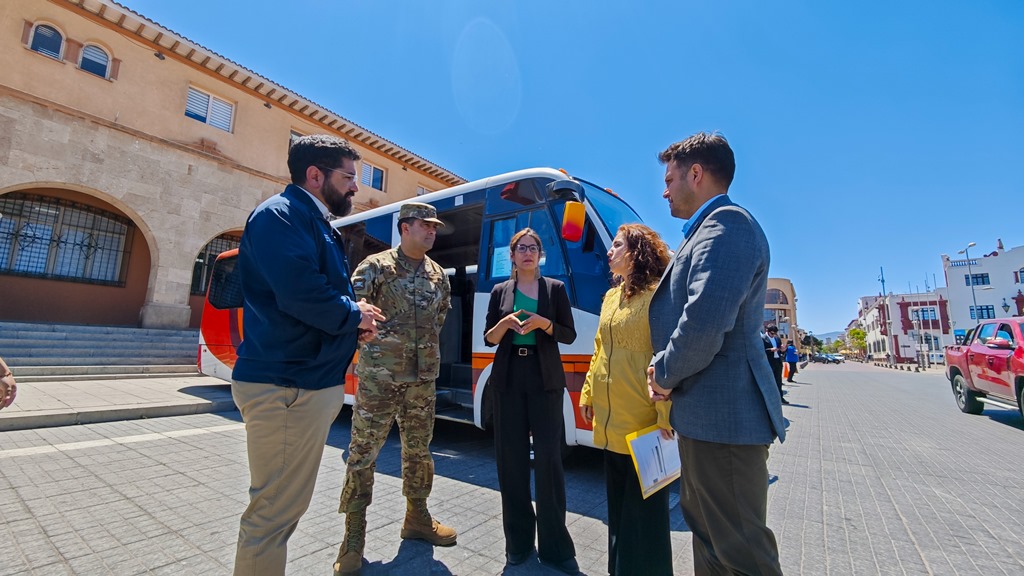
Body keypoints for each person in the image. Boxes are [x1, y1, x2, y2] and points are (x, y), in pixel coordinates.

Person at [230, 134, 385, 576]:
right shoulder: (281, 217)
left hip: (302, 385)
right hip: (287, 388)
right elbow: (301, 293)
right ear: (315, 176)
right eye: (349, 177)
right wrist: (354, 314)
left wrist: (355, 328)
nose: (356, 187)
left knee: (280, 511)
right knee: (272, 516)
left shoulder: (311, 221)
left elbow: (312, 303)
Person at [647, 132, 786, 576]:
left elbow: (703, 323)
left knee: (742, 553)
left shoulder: (727, 226)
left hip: (725, 421)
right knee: (711, 543)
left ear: (696, 173)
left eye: (670, 179)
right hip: (708, 419)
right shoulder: (711, 230)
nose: (664, 190)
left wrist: (663, 374)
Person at [334, 202, 455, 576]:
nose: (432, 231)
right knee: (363, 454)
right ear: (405, 227)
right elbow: (354, 312)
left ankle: (416, 518)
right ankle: (353, 537)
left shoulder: (439, 275)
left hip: (422, 379)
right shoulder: (375, 267)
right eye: (425, 225)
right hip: (379, 378)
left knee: (419, 452)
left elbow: (441, 316)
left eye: (435, 227)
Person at [578, 223, 673, 576]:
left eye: (617, 245)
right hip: (609, 421)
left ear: (636, 251)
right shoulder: (610, 297)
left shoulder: (659, 295)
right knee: (617, 514)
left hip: (645, 424)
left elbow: (666, 356)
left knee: (645, 520)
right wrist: (588, 392)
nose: (609, 251)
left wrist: (665, 414)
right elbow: (599, 349)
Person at [483, 228, 579, 575]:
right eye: (521, 248)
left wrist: (544, 323)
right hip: (508, 380)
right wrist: (507, 322)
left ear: (540, 254)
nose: (527, 252)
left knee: (550, 463)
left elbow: (568, 334)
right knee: (511, 464)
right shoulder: (499, 291)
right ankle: (518, 544)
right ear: (511, 255)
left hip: (545, 380)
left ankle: (556, 548)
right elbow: (489, 337)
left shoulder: (554, 289)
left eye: (533, 247)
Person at [763, 325, 787, 404]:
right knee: (770, 381)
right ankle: (769, 400)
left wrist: (783, 350)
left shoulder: (777, 338)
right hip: (769, 362)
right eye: (772, 333)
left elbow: (780, 349)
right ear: (767, 331)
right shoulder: (763, 338)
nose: (773, 335)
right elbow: (760, 350)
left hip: (778, 361)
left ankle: (780, 398)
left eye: (775, 333)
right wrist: (770, 350)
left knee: (779, 381)